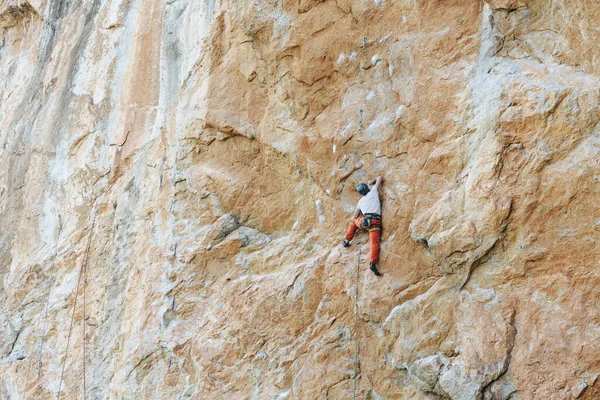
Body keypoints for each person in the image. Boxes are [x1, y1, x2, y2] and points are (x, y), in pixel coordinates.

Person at [343, 176, 383, 276]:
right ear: (367, 188)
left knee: (353, 224)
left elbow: (355, 216)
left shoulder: (360, 201)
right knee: (374, 243)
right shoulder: (373, 192)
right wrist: (373, 182)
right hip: (375, 222)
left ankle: (347, 241)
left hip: (364, 221)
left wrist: (362, 210)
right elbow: (380, 178)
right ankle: (373, 263)